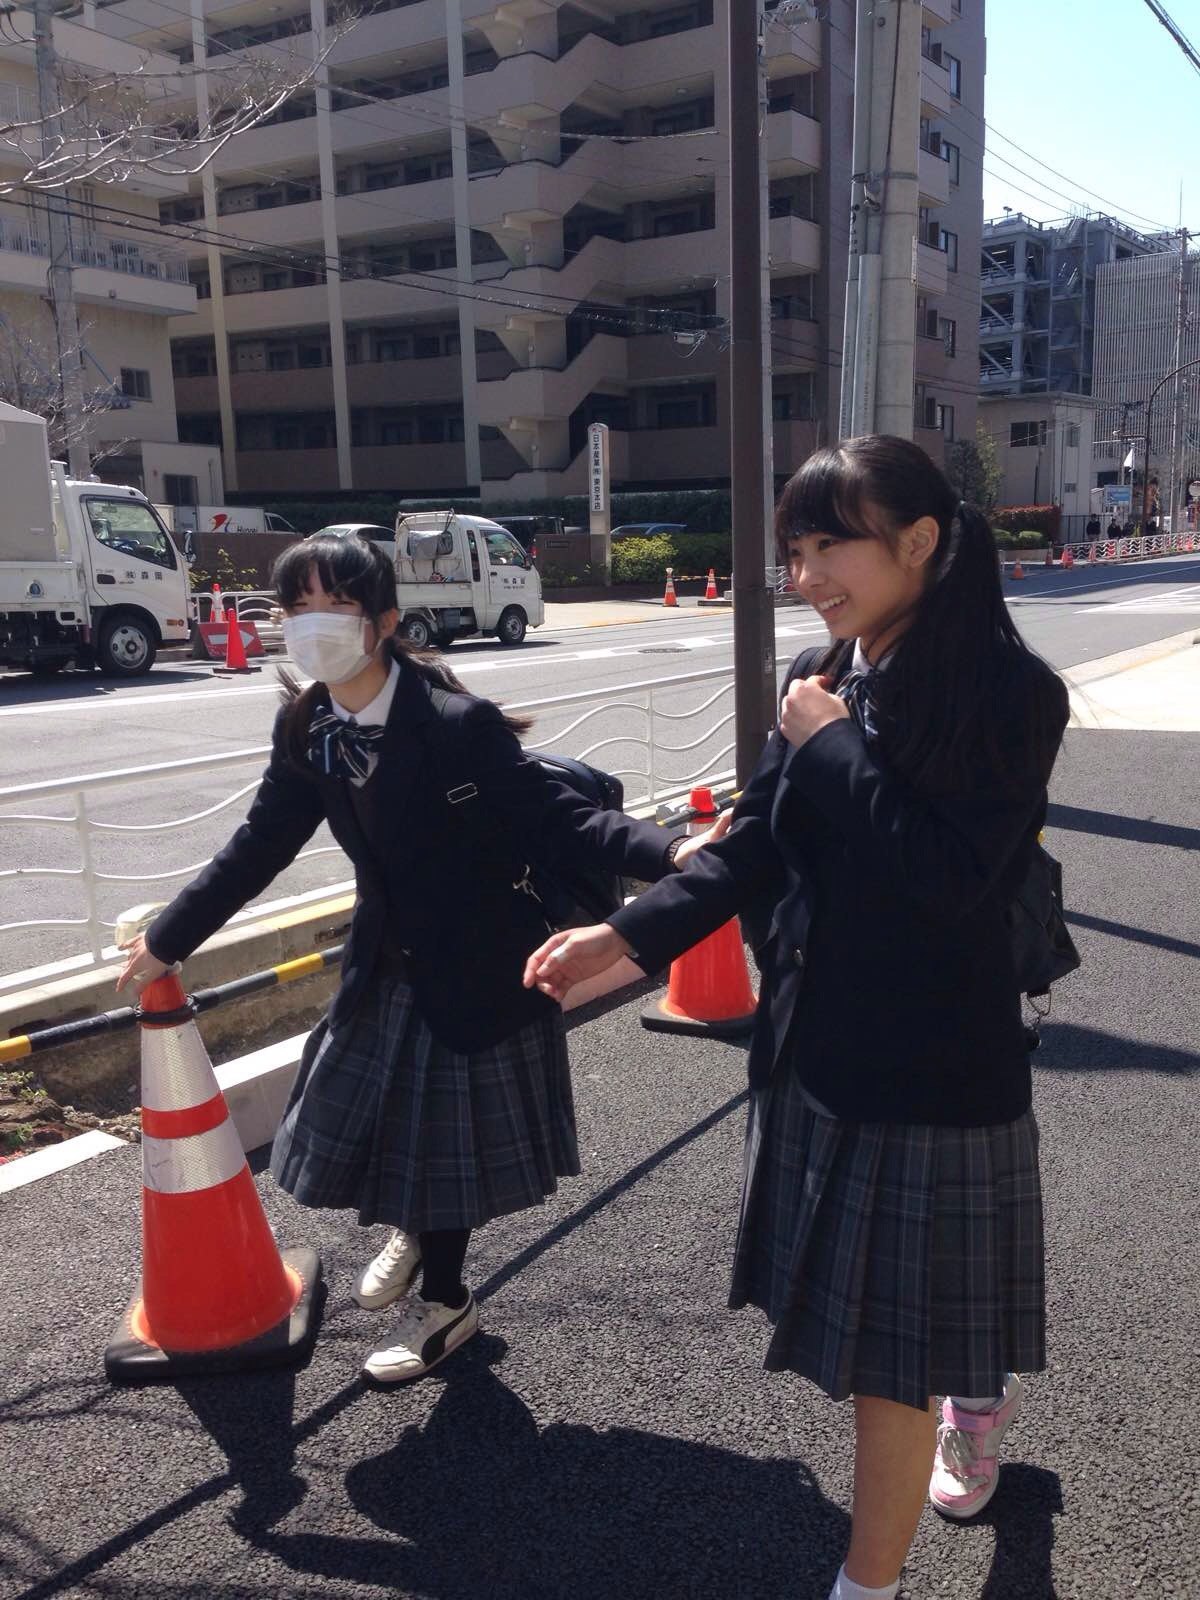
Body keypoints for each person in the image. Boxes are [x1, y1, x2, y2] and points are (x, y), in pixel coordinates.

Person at [524, 436, 1069, 1600]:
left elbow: (944, 880)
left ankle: (865, 1585)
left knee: (889, 1361)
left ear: (920, 542)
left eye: (836, 544)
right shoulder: (833, 667)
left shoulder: (1012, 695)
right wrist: (627, 937)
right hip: (819, 1047)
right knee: (901, 1334)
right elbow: (756, 844)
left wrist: (831, 744)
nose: (811, 572)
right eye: (798, 548)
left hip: (937, 1072)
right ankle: (972, 1394)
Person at [116, 532, 711, 1385]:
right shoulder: (310, 723)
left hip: (476, 961)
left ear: (386, 622)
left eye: (338, 607)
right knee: (381, 1124)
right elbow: (259, 845)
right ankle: (415, 1231)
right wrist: (169, 937)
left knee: (444, 1144)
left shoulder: (453, 726)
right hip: (384, 957)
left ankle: (448, 1305)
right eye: (297, 608)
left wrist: (673, 853)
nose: (312, 626)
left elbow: (559, 817)